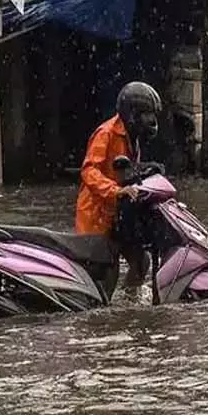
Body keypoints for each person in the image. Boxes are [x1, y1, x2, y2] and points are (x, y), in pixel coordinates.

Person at [75, 81, 162, 289]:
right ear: (132, 114)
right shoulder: (106, 133)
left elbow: (126, 171)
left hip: (118, 215)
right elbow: (89, 170)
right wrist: (116, 191)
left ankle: (130, 307)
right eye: (146, 114)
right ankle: (104, 315)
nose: (151, 120)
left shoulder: (134, 138)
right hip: (96, 217)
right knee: (108, 271)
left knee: (141, 262)